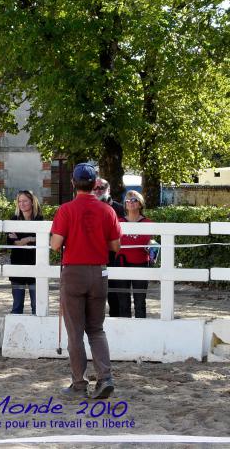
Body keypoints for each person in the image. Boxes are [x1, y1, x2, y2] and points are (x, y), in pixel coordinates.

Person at [50, 163, 121, 399]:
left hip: (74, 273)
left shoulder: (66, 209)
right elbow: (115, 246)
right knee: (96, 329)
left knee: (75, 332)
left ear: (73, 183)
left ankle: (79, 384)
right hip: (99, 272)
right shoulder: (107, 211)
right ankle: (105, 377)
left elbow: (56, 244)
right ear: (95, 185)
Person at [116, 190, 153, 318]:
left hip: (141, 264)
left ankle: (141, 332)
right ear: (125, 204)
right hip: (121, 264)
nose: (131, 203)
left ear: (140, 204)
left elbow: (150, 243)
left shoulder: (148, 223)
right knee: (123, 302)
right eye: (128, 200)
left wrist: (152, 247)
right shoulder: (118, 222)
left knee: (140, 301)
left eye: (134, 200)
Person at [7, 190, 43, 315]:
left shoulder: (39, 219)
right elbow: (12, 242)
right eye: (19, 201)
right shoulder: (13, 219)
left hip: (35, 265)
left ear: (32, 202)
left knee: (36, 306)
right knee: (17, 305)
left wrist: (26, 239)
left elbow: (45, 240)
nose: (22, 204)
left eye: (25, 201)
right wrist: (32, 239)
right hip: (17, 264)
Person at [94, 177, 125, 317]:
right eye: (94, 188)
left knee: (115, 294)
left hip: (115, 257)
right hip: (95, 257)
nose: (97, 191)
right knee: (95, 295)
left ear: (109, 189)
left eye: (101, 187)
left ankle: (117, 324)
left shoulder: (121, 209)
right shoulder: (89, 208)